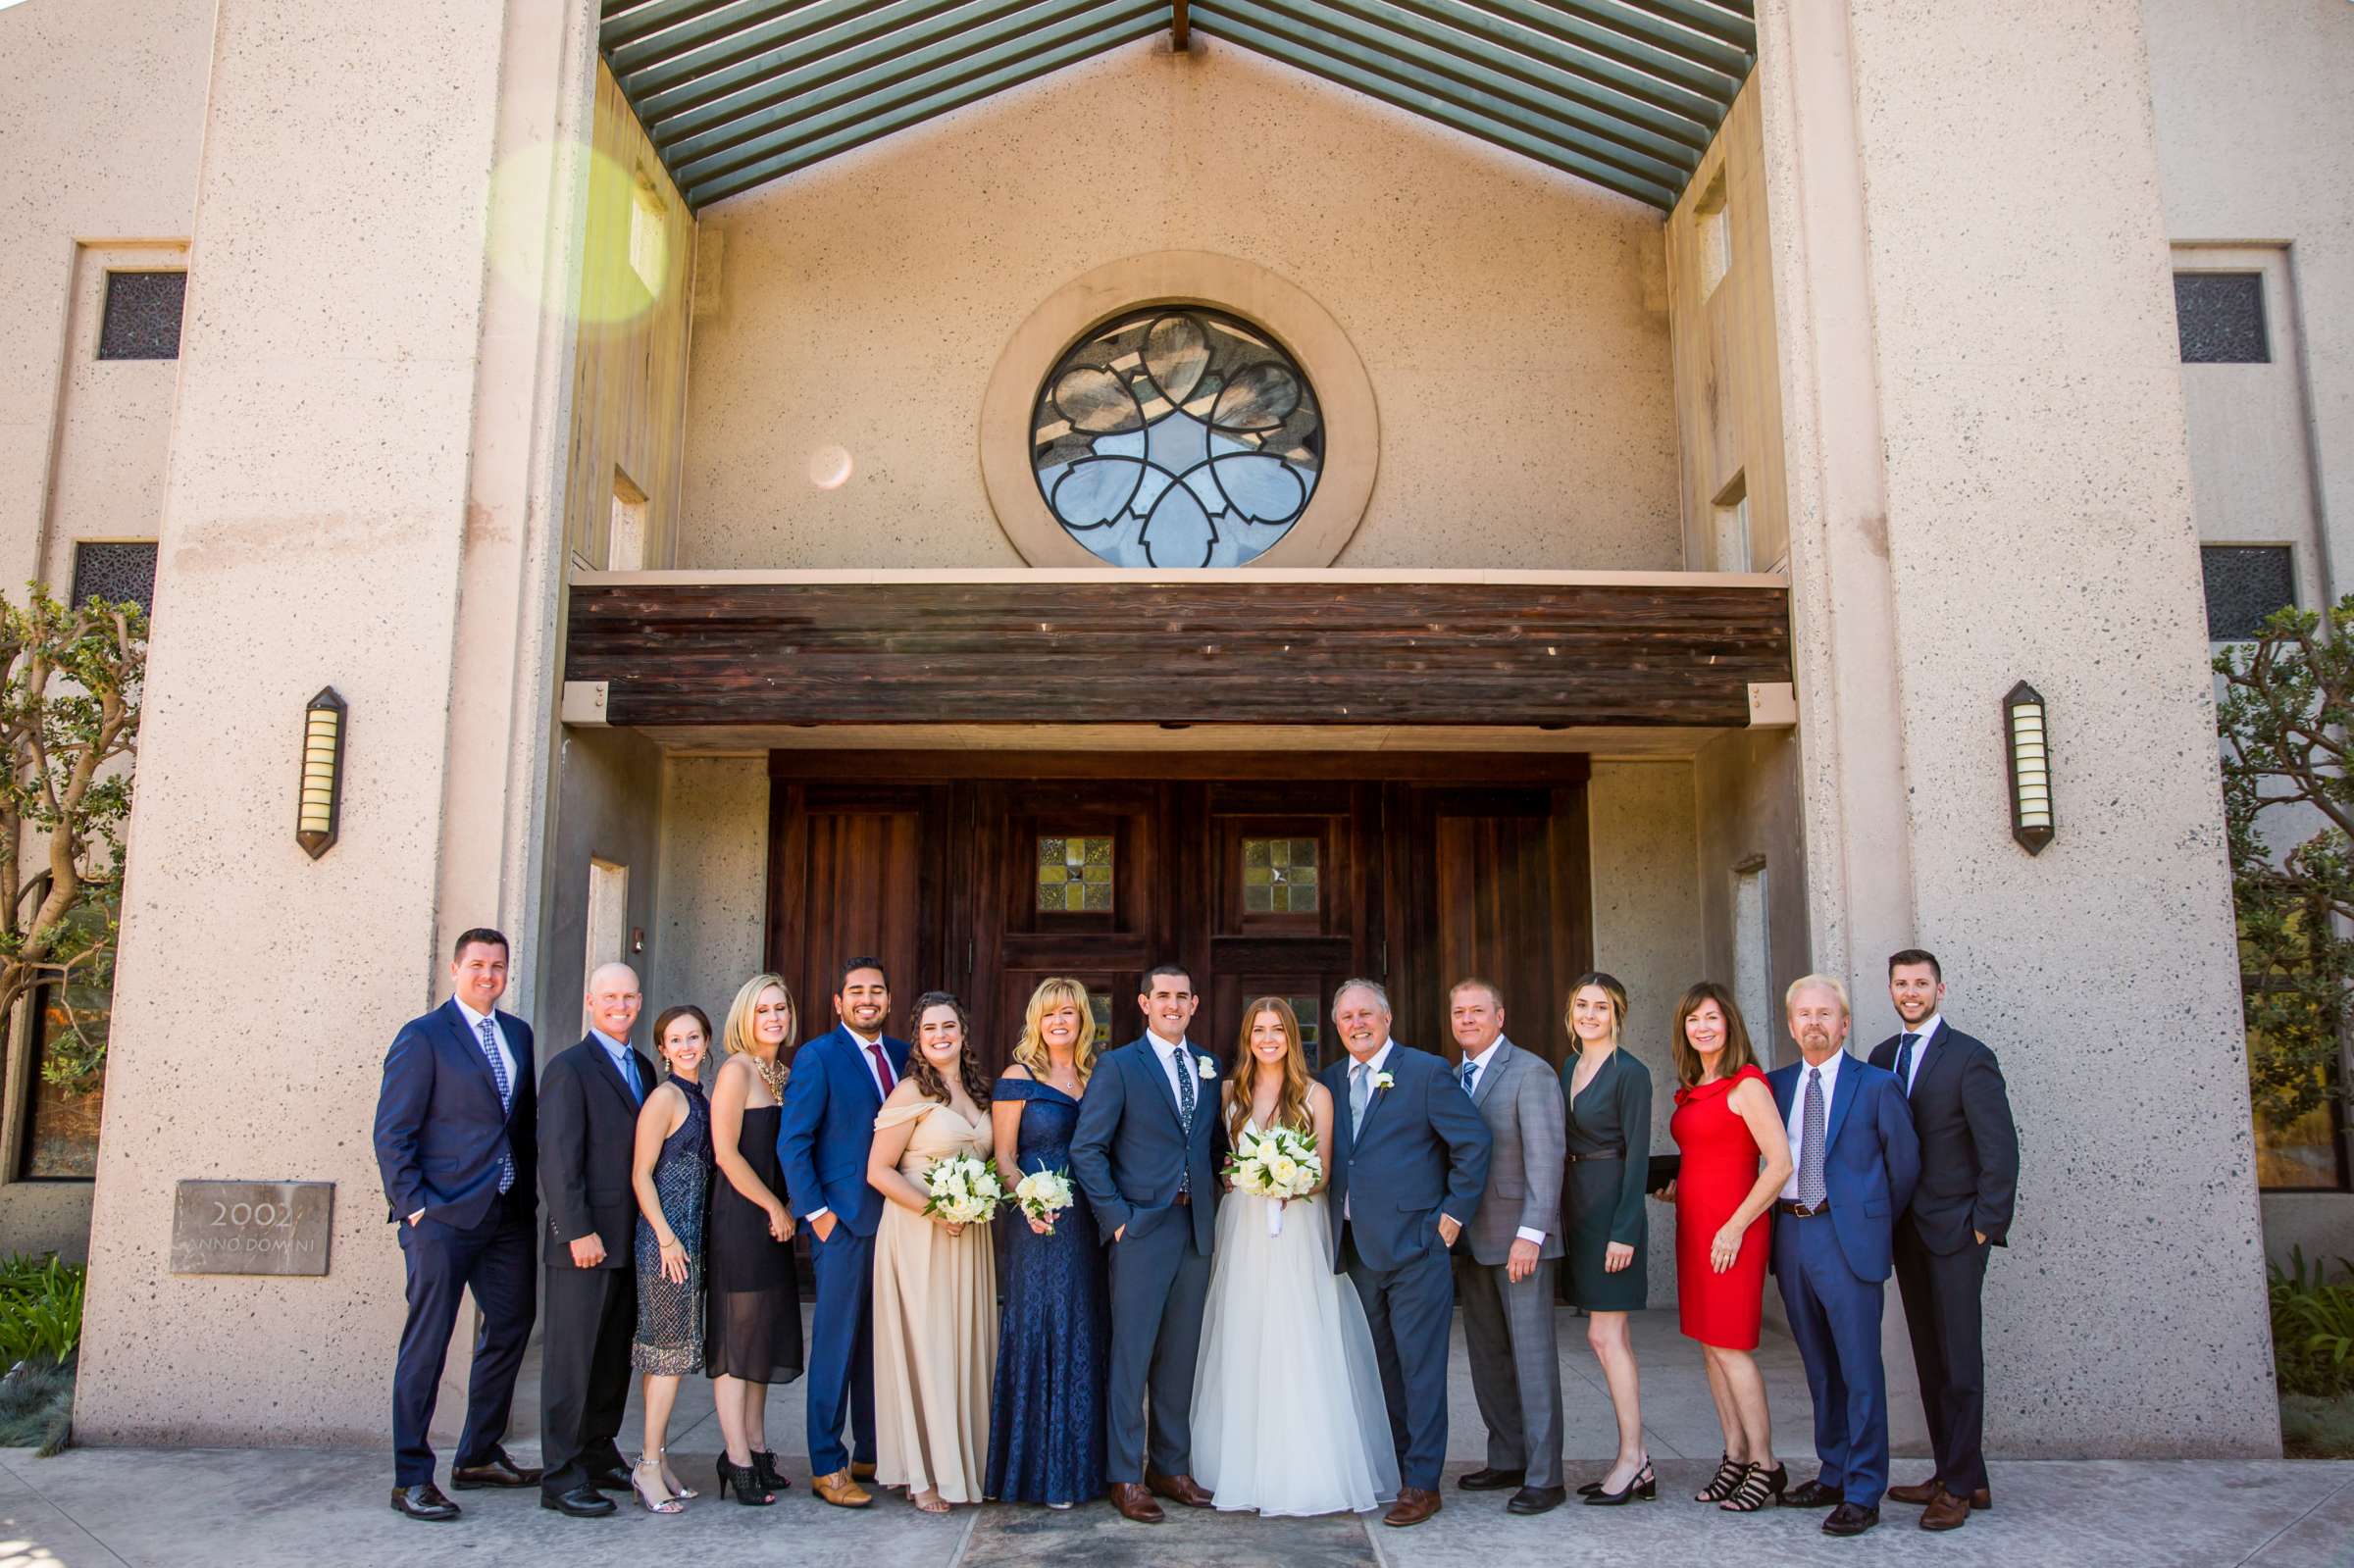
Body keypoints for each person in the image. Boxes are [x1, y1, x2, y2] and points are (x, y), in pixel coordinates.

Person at [1192, 997, 1399, 1516]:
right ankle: (1238, 1464)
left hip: (1298, 1226)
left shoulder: (1316, 1094)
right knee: (1245, 1333)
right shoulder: (1227, 1094)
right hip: (1243, 1226)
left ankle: (1308, 1466)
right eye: (1259, 1030)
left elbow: (1326, 1170)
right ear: (1247, 1037)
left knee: (1299, 1334)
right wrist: (1244, 1178)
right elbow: (1219, 1163)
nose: (1268, 1039)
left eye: (1277, 1029)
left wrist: (1291, 1180)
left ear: (1291, 1037)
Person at [374, 928, 539, 1523]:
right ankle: (411, 1477)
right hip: (441, 1217)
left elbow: (516, 1127)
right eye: (477, 965)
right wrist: (415, 1206)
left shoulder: (517, 1034)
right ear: (454, 969)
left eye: (498, 966)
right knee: (428, 1342)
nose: (488, 976)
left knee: (512, 1324)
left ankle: (477, 1454)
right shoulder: (423, 1037)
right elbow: (392, 1132)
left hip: (505, 1215)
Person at [1318, 977, 1491, 1530]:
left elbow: (1474, 1142)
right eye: (1346, 1017)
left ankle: (1422, 1483)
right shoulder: (1328, 1082)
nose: (1356, 1024)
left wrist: (1452, 1216)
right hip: (1358, 1252)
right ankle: (1394, 1468)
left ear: (1387, 1018)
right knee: (1378, 1368)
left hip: (1418, 1248)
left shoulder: (1425, 1072)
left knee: (1421, 1371)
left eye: (1366, 1014)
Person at [1068, 961, 1224, 1525]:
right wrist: (1117, 1219)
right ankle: (1126, 1475)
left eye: (1182, 997)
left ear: (1194, 1003)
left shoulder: (1209, 1065)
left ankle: (1171, 1467)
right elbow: (1088, 1149)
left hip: (1194, 1229)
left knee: (1180, 1355)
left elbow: (1211, 1146)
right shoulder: (1119, 1066)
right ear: (1143, 1003)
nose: (1173, 1005)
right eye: (1163, 996)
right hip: (1140, 1230)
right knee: (1131, 1357)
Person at [1869, 949, 2019, 1532]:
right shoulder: (1883, 1058)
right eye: (1901, 983)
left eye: (1921, 983)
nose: (1911, 992)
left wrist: (1986, 1224)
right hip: (1905, 1230)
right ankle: (1962, 1474)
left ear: (1940, 988)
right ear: (1891, 990)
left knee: (1960, 1362)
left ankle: (1957, 1486)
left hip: (1958, 1232)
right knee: (1930, 1359)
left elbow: (1999, 1150)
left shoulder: (1970, 1058)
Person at [1768, 973, 1921, 1539]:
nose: (1814, 1023)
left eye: (1825, 1014)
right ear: (1791, 1025)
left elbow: (1903, 1168)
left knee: (1858, 1369)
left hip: (1847, 1236)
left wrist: (1866, 1219)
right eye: (1804, 1014)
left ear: (1845, 1023)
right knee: (1818, 1367)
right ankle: (1832, 1471)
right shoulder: (1775, 1085)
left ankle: (1863, 1489)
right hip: (1791, 1235)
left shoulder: (1877, 1085)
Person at [777, 955, 911, 1509]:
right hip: (843, 1224)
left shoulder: (906, 1055)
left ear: (888, 999)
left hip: (897, 1223)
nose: (867, 999)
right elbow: (794, 1142)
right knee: (835, 1345)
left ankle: (872, 1453)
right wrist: (819, 1215)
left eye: (876, 990)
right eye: (856, 990)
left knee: (880, 1346)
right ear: (839, 1002)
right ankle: (827, 1464)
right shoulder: (818, 1057)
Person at [1663, 982, 1793, 1512]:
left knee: (1732, 1347)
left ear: (1730, 1024)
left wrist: (1735, 1226)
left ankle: (1767, 1465)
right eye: (1694, 1020)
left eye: (1712, 1018)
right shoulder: (1698, 1086)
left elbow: (1780, 1165)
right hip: (1696, 1230)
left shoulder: (1747, 1085)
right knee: (1710, 1346)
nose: (1703, 1028)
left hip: (1732, 1234)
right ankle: (1734, 1455)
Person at [868, 991, 999, 1512]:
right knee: (926, 1348)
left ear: (963, 1033)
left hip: (970, 1238)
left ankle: (966, 1463)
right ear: (919, 1040)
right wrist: (935, 1212)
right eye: (930, 1029)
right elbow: (878, 1171)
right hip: (919, 1234)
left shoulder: (978, 1092)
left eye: (949, 1026)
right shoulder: (908, 1093)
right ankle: (922, 1474)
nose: (941, 1035)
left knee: (964, 1346)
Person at [1446, 978, 1568, 1517]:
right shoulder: (1454, 1078)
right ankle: (1508, 1456)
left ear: (1501, 1015)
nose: (1467, 1019)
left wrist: (1532, 1234)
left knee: (1533, 1356)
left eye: (1477, 1010)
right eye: (1458, 1012)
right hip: (1471, 1240)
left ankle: (1546, 1476)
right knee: (1488, 1357)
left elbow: (1547, 1157)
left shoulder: (1531, 1072)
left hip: (1520, 1241)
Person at [537, 962, 657, 1518]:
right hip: (584, 1243)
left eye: (629, 997)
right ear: (591, 1001)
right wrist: (576, 1230)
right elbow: (559, 1159)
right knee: (571, 1363)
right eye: (609, 996)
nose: (620, 1005)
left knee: (612, 1356)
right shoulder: (569, 1069)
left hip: (631, 1240)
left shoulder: (643, 1068)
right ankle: (561, 1476)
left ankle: (596, 1450)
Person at [987, 977, 1109, 1509]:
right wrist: (1028, 1201)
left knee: (1084, 1329)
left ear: (1083, 1020)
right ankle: (1037, 1474)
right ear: (1036, 1020)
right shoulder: (1019, 1077)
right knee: (1040, 1329)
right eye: (1049, 1013)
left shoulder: (1099, 1076)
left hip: (1089, 1222)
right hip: (1037, 1222)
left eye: (1070, 1013)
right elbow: (1004, 1157)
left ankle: (1081, 1470)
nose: (1060, 1022)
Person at [704, 973, 805, 1505]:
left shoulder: (785, 1074)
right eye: (764, 1009)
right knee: (737, 1338)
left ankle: (758, 1446)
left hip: (777, 1222)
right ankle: (736, 1456)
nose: (774, 1018)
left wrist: (790, 1206)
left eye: (781, 1009)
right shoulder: (737, 1071)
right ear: (746, 1015)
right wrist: (771, 1205)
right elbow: (726, 1154)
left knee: (763, 1336)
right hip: (741, 1220)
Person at [1559, 972, 1654, 1506]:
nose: (1589, 1014)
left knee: (1606, 1338)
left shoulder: (1631, 1073)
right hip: (1581, 1209)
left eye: (1600, 1006)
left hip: (1615, 1214)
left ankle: (1633, 1458)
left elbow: (1638, 1157)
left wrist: (1625, 1232)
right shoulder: (1571, 1065)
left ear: (1617, 1012)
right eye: (1581, 1005)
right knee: (1602, 1337)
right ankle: (1634, 1458)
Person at [626, 1004, 714, 1514]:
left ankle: (658, 1457)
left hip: (691, 1244)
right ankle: (647, 1466)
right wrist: (664, 1238)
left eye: (694, 1037)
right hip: (666, 1247)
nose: (685, 1047)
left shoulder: (700, 1094)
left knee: (674, 1356)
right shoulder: (664, 1097)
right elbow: (641, 1175)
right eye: (675, 1040)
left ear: (706, 1041)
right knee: (664, 1356)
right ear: (662, 1048)